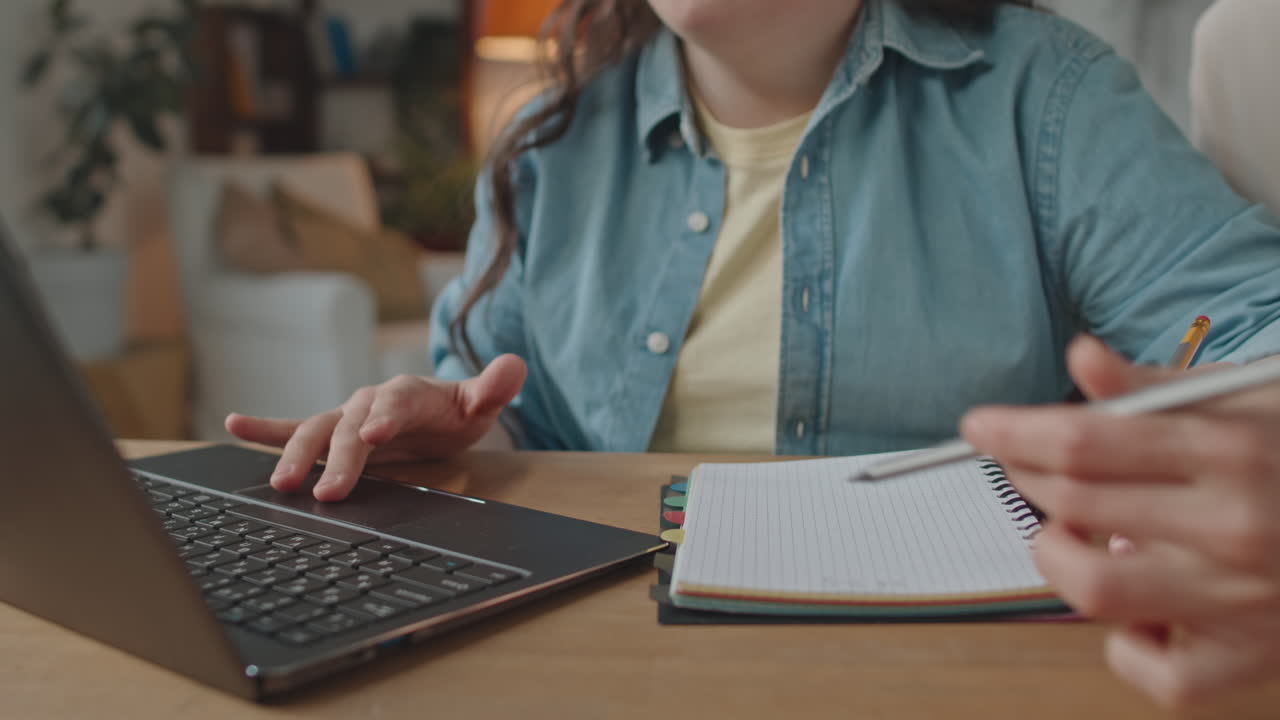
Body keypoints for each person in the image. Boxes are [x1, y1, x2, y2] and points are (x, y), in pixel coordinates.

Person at [227, 0, 1280, 706]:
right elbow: (508, 416)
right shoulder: (547, 138)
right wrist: (448, 433)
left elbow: (1248, 328)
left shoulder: (1045, 95)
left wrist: (1238, 433)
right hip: (594, 672)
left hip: (952, 677)